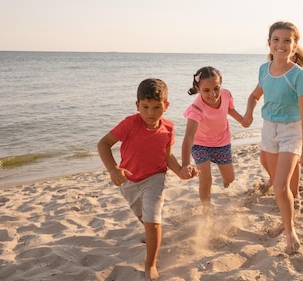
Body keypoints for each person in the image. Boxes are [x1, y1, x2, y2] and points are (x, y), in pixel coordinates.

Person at [97, 78, 197, 281]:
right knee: (145, 219)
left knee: (152, 222)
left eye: (157, 107)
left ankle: (150, 263)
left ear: (166, 106)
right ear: (137, 105)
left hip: (155, 178)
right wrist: (113, 169)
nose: (151, 113)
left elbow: (167, 156)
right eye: (145, 107)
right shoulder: (129, 124)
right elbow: (103, 144)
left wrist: (181, 172)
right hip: (129, 181)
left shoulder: (168, 128)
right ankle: (152, 232)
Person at [242, 20, 303, 255]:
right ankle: (286, 218)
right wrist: (248, 113)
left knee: (281, 186)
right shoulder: (264, 70)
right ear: (269, 43)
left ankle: (290, 229)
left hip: (291, 131)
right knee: (276, 182)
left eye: (287, 41)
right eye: (276, 40)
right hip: (268, 129)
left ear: (294, 46)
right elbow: (254, 96)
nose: (281, 45)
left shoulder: (298, 76)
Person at [180, 66, 248, 215]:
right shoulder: (196, 109)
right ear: (198, 88)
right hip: (200, 144)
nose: (213, 94)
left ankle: (226, 181)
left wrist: (242, 120)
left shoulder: (226, 94)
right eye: (206, 90)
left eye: (216, 88)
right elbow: (188, 138)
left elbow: (228, 109)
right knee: (206, 180)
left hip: (221, 142)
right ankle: (207, 212)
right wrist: (185, 164)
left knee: (230, 178)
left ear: (221, 85)